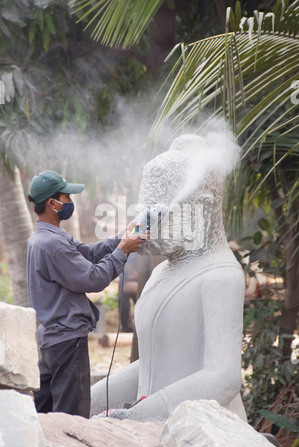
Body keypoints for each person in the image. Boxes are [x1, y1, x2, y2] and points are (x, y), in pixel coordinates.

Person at [90, 133, 247, 422]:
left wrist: (135, 416)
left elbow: (222, 378)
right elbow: (152, 365)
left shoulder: (221, 277)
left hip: (204, 430)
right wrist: (92, 400)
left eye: (156, 212)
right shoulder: (162, 272)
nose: (142, 224)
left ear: (200, 208)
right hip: (152, 424)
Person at [27, 170, 147, 418]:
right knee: (72, 419)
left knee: (47, 417)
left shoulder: (43, 238)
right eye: (67, 197)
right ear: (52, 203)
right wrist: (123, 252)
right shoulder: (54, 244)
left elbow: (89, 254)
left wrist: (119, 239)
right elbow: (92, 278)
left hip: (51, 340)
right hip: (68, 341)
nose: (70, 202)